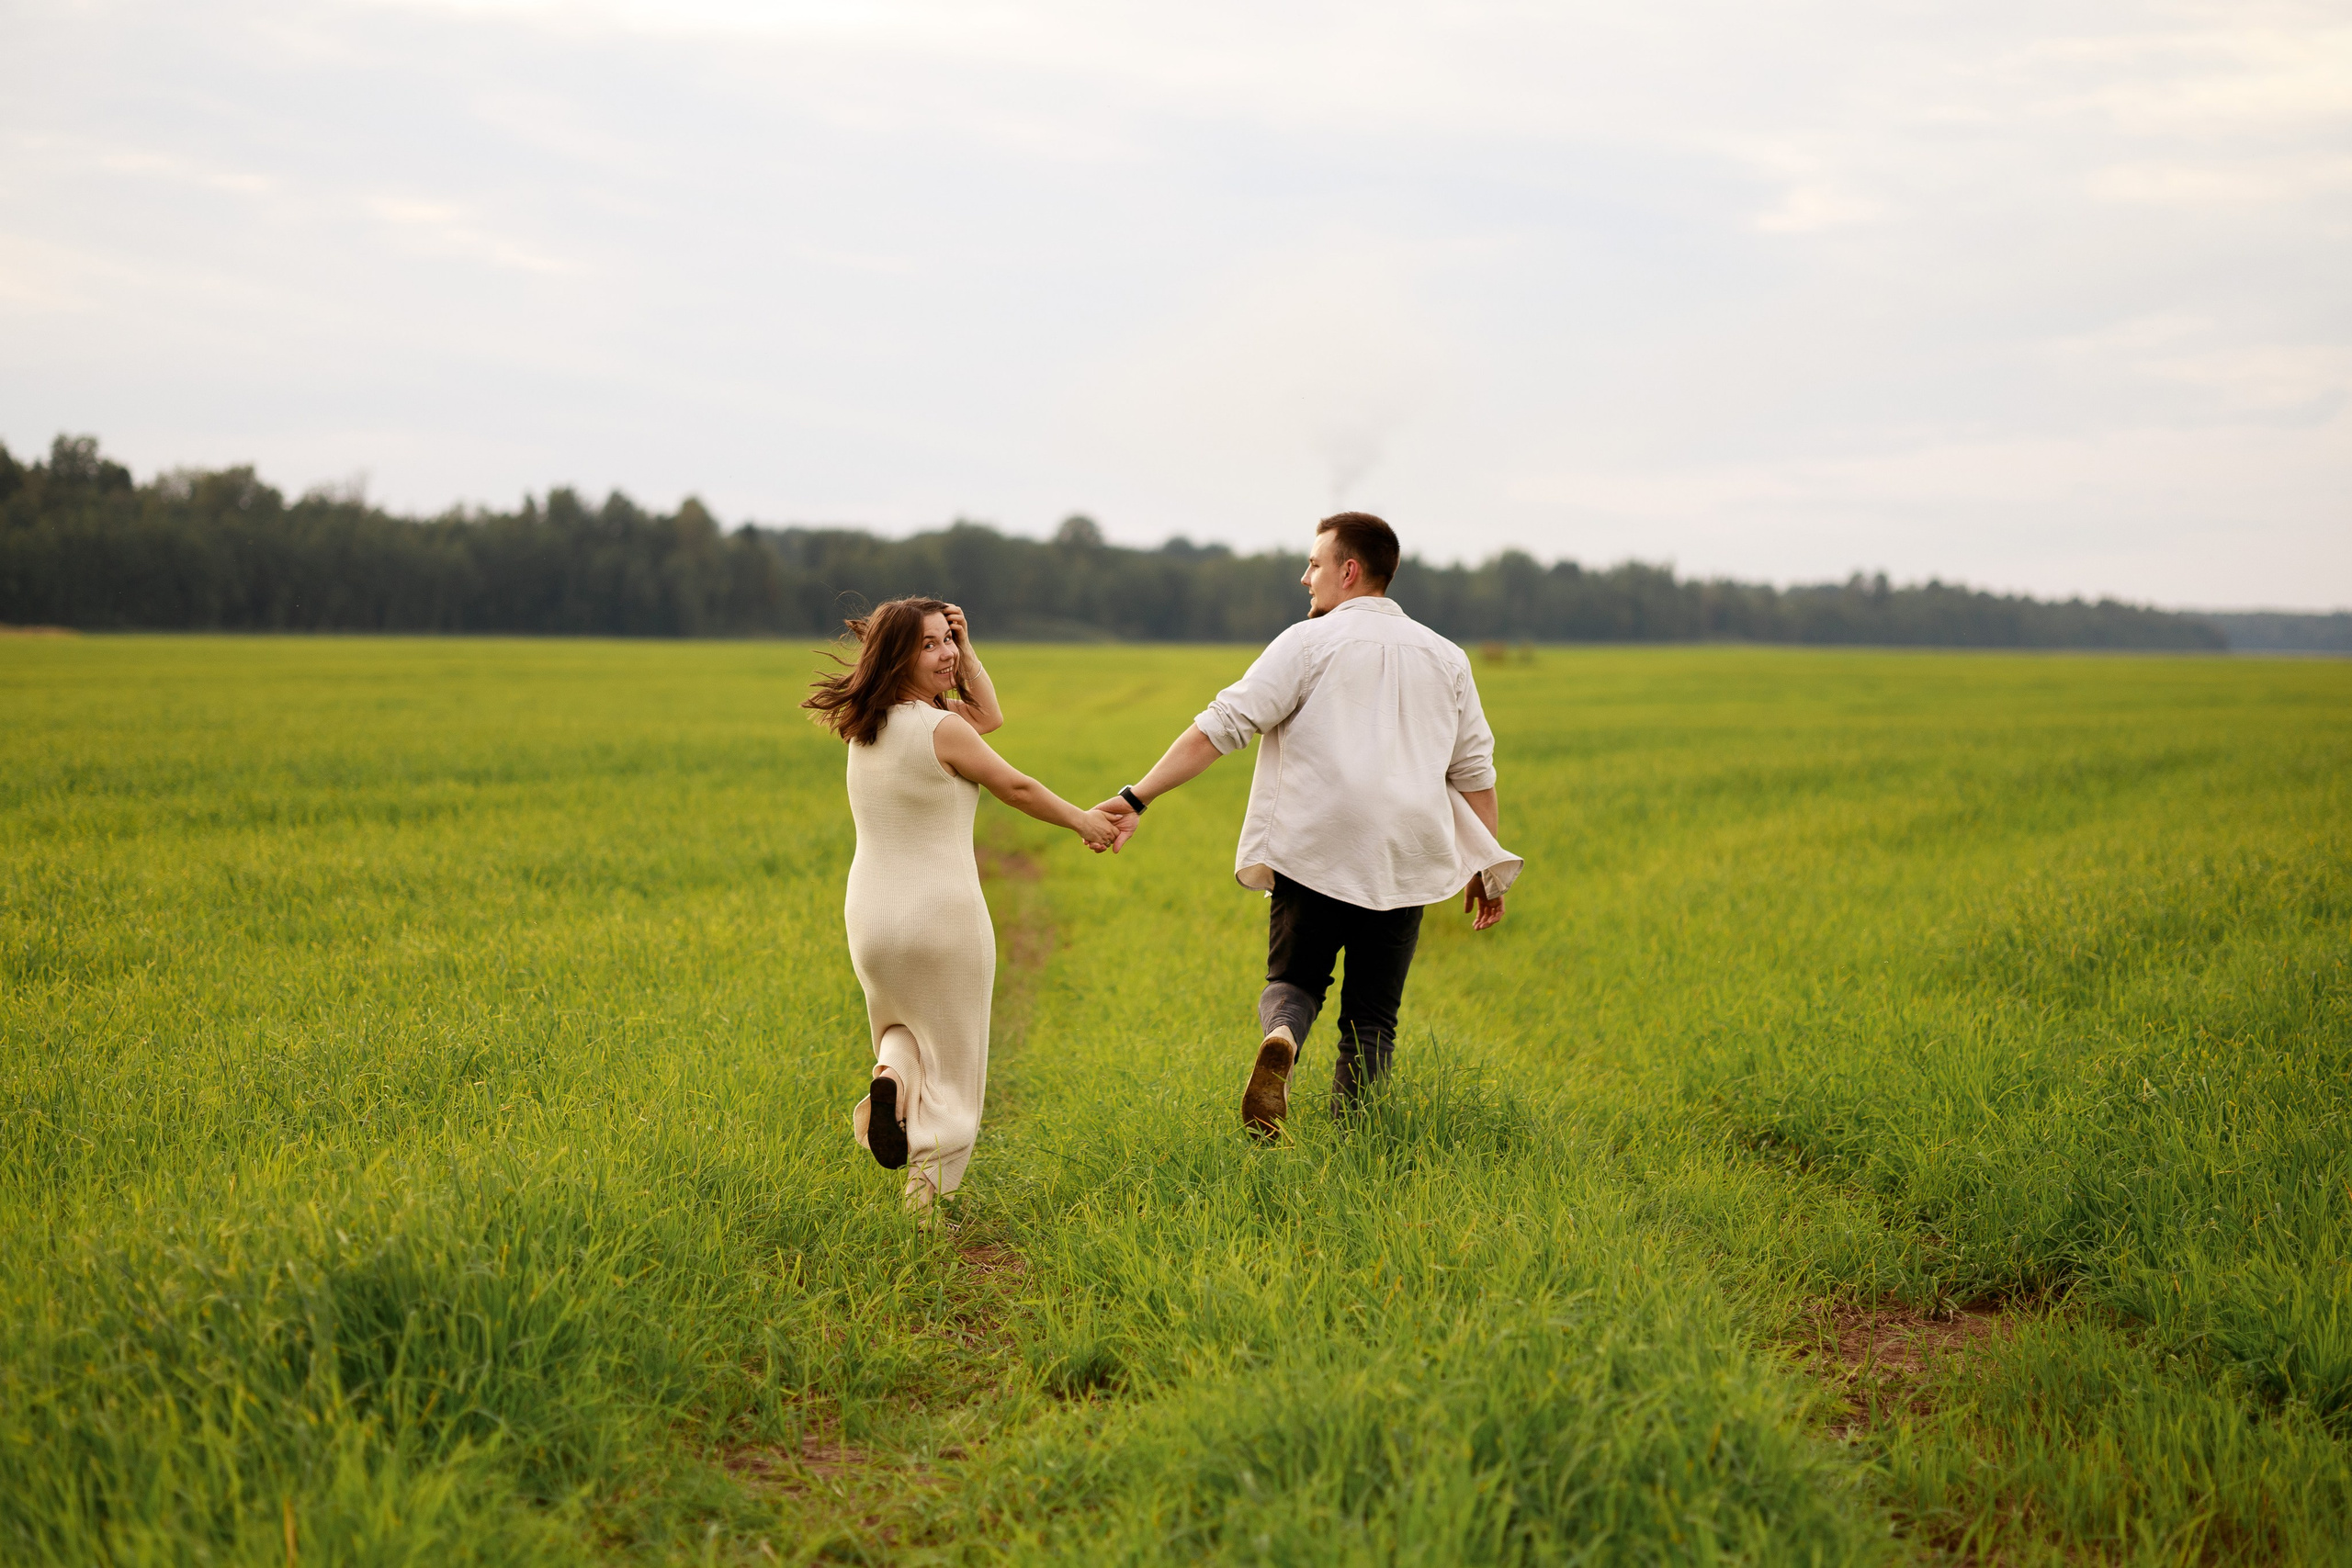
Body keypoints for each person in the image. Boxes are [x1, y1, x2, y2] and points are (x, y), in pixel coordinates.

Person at [1096, 513, 1521, 1135]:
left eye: (1315, 564)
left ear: (1349, 571)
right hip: (1404, 856)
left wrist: (1137, 797)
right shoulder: (1448, 657)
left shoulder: (1307, 641)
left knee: (1295, 980)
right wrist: (1487, 866)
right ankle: (1358, 1142)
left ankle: (1285, 1038)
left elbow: (1222, 726)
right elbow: (1475, 771)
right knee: (1374, 1016)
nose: (1306, 577)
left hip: (1315, 847)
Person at [806, 598, 1120, 1211]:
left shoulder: (865, 726)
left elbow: (988, 715)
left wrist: (964, 646)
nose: (947, 653)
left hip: (871, 916)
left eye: (948, 639)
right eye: (929, 644)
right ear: (898, 655)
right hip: (941, 919)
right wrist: (1083, 819)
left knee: (900, 1030)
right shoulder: (942, 729)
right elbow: (1015, 783)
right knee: (955, 1076)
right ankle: (923, 1216)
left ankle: (890, 1083)